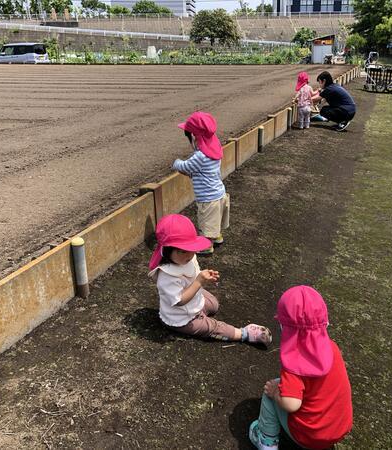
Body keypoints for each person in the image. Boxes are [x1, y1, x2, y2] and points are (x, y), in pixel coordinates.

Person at [249, 285, 353, 450]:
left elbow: (291, 405)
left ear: (284, 327)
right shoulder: (332, 347)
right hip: (338, 429)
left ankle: (265, 441)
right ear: (325, 322)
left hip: (310, 437)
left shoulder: (293, 364)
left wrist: (275, 393)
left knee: (271, 390)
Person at [148, 213, 272, 346]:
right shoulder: (167, 275)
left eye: (191, 249)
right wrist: (198, 282)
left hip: (195, 301)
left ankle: (201, 312)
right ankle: (244, 333)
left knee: (214, 304)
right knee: (211, 327)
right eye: (182, 251)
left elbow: (194, 274)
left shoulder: (187, 258)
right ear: (167, 251)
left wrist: (204, 275)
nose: (190, 255)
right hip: (181, 319)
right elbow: (179, 301)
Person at [173, 111, 229, 255]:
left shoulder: (200, 156)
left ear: (194, 137)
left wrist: (176, 162)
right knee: (214, 220)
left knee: (206, 221)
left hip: (208, 198)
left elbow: (184, 167)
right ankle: (216, 236)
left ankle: (206, 246)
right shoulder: (214, 150)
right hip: (219, 193)